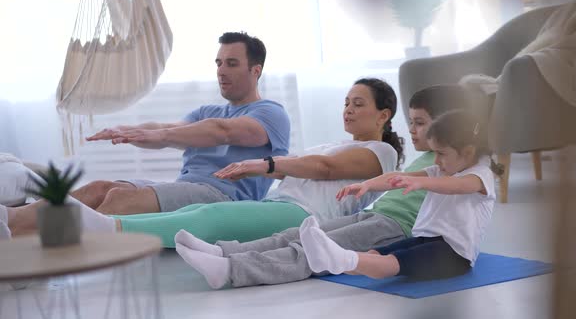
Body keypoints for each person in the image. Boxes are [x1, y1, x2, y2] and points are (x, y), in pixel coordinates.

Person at [2, 78, 403, 248]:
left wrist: (265, 165)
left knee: (206, 216)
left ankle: (107, 229)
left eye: (359, 104)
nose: (348, 110)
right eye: (346, 102)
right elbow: (184, 127)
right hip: (276, 207)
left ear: (384, 115)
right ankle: (13, 222)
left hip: (305, 215)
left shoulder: (384, 155)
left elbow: (326, 171)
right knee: (197, 210)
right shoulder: (329, 141)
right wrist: (139, 131)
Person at [166, 85, 472, 289]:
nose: (413, 129)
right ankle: (225, 253)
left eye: (420, 123)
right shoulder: (430, 159)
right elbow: (396, 181)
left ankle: (232, 271)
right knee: (293, 236)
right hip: (376, 216)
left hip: (397, 229)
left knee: (310, 250)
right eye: (412, 122)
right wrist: (367, 186)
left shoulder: (455, 161)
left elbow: (462, 183)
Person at [71, 31, 291, 215]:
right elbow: (166, 129)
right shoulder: (207, 111)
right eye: (219, 63)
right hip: (185, 187)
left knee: (120, 199)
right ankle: (37, 213)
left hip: (222, 195)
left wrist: (163, 135)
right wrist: (126, 131)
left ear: (256, 71)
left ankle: (61, 249)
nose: (221, 71)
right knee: (98, 188)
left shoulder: (271, 113)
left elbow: (222, 131)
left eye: (231, 64)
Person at [299, 109, 502, 281]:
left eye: (441, 153)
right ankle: (328, 259)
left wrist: (421, 181)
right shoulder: (442, 171)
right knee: (374, 254)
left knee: (391, 263)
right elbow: (397, 177)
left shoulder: (481, 175)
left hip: (454, 255)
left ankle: (338, 258)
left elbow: (456, 186)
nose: (436, 161)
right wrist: (367, 184)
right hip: (426, 239)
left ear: (467, 152)